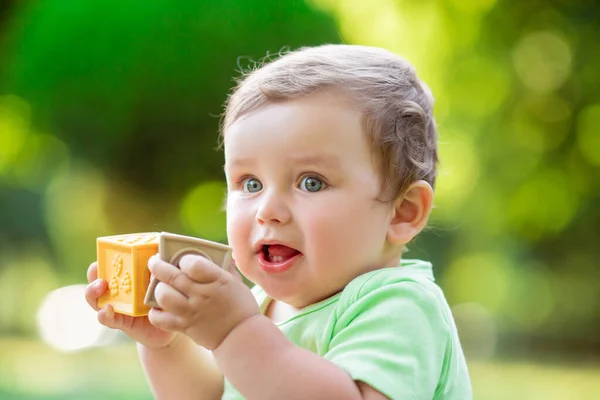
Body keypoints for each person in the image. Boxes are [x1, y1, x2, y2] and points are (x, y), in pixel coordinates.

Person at [85, 44, 472, 400]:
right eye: (250, 183)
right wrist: (166, 345)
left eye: (311, 182)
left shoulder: (399, 304)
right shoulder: (262, 305)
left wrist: (234, 333)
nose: (267, 210)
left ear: (403, 212)